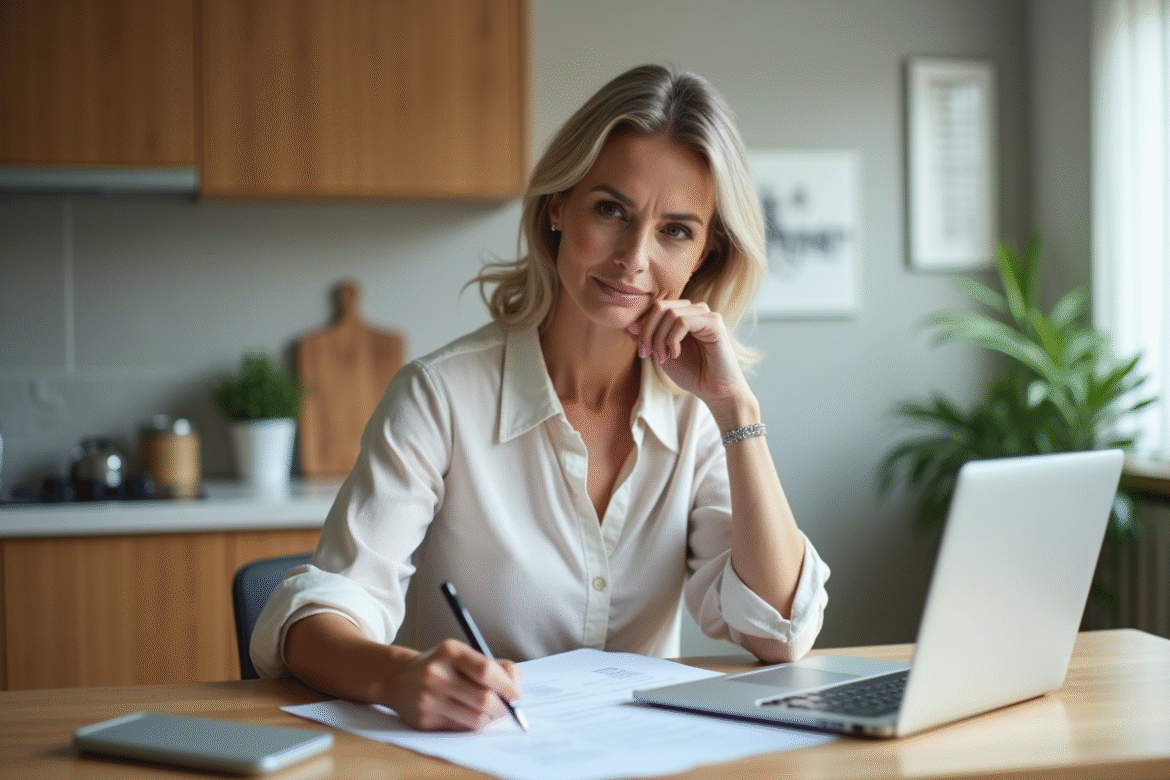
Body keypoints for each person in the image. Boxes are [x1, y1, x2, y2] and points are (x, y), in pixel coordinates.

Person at [250, 63, 830, 732]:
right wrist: (398, 675)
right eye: (611, 210)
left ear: (705, 254)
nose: (634, 258)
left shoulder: (699, 416)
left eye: (675, 230)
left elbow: (779, 631)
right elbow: (322, 608)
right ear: (559, 206)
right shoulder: (440, 397)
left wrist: (738, 412)